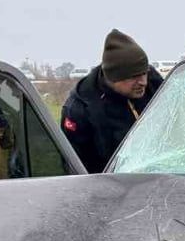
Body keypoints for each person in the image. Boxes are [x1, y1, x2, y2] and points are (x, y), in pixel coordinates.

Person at [60, 29, 163, 172]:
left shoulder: (154, 83)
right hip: (109, 186)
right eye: (134, 77)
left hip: (159, 175)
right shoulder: (80, 110)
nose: (143, 82)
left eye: (144, 73)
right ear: (113, 78)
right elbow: (76, 169)